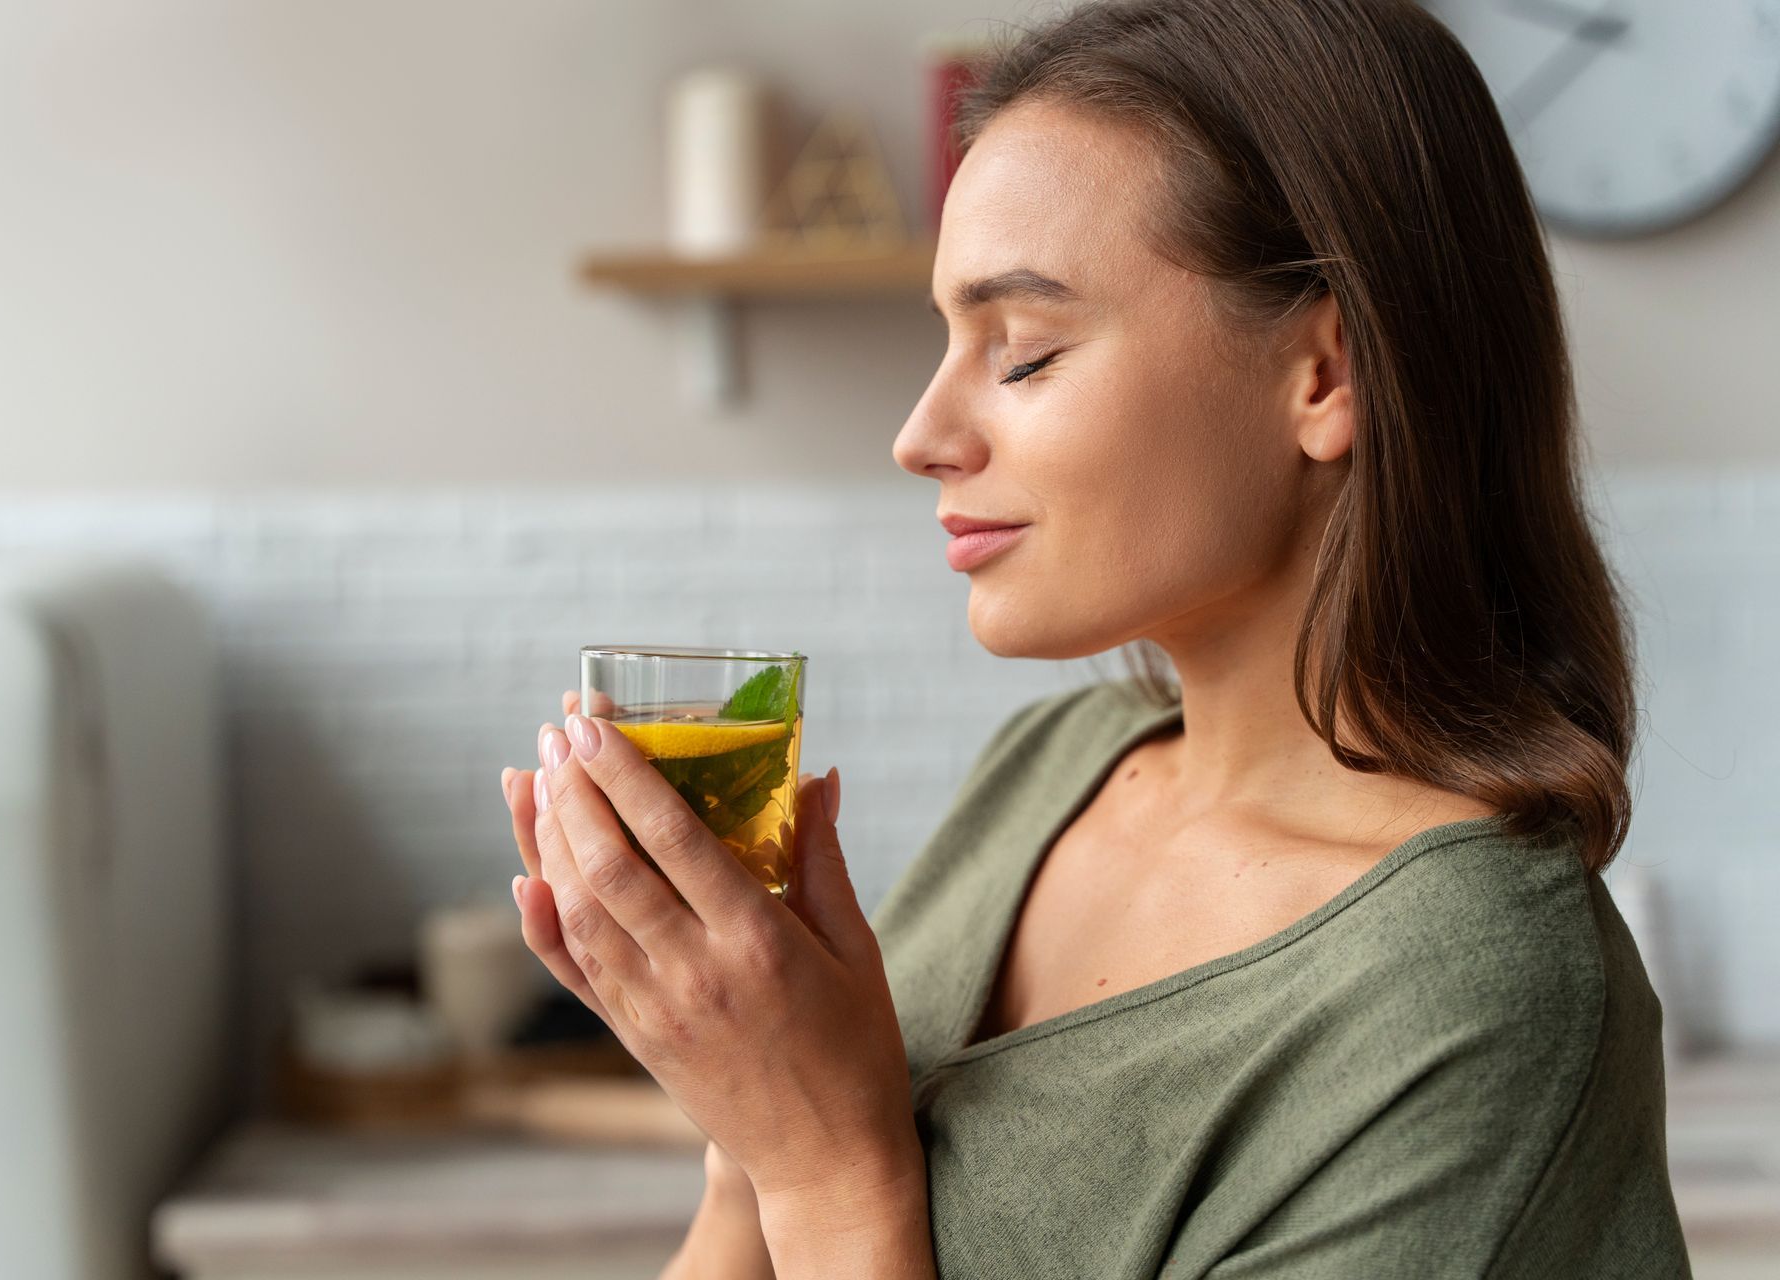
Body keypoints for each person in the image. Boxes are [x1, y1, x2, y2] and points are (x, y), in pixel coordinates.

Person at [503, 0, 1691, 1275]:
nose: (920, 435)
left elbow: (826, 1174)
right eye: (946, 341)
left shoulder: (1472, 999)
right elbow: (749, 1217)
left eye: (1022, 351)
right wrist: (743, 1104)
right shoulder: (1052, 765)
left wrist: (827, 1167)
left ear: (1326, 377)